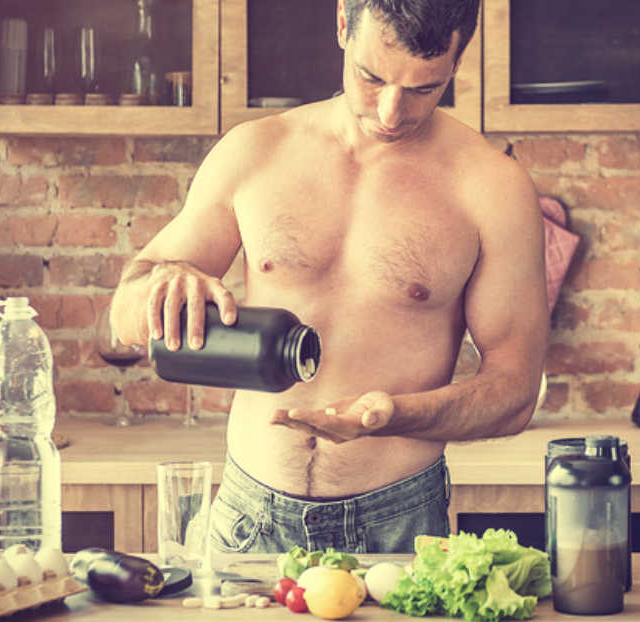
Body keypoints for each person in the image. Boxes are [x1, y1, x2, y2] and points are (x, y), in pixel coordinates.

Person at [108, 0, 548, 554]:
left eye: (424, 88)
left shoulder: (492, 187)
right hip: (248, 516)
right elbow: (124, 317)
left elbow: (514, 394)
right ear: (343, 22)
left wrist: (392, 416)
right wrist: (164, 283)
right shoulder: (256, 151)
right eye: (372, 77)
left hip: (399, 525)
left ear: (458, 59)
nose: (391, 112)